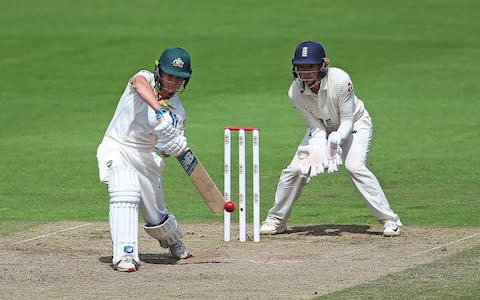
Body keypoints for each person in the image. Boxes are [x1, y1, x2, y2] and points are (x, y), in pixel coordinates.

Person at [260, 41, 402, 237]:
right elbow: (314, 125)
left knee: (355, 167)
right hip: (322, 128)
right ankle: (277, 220)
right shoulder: (295, 92)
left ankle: (390, 221)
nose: (305, 73)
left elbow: (347, 120)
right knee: (296, 170)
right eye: (301, 67)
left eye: (310, 67)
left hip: (355, 124)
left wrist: (336, 138)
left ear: (322, 66)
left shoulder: (340, 80)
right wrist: (319, 143)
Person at [96, 47, 194, 272]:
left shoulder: (178, 111)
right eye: (169, 76)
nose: (172, 82)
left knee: (155, 213)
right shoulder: (145, 79)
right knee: (124, 188)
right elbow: (139, 84)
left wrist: (173, 144)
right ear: (159, 70)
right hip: (117, 146)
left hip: (146, 158)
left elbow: (165, 149)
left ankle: (172, 239)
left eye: (179, 79)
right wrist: (159, 110)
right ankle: (125, 255)